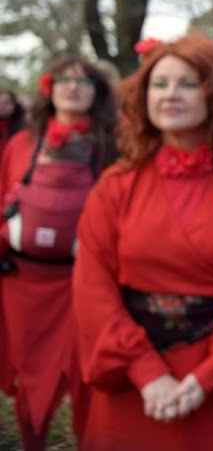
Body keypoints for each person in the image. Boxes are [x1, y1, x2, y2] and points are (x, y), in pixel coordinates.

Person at [72, 34, 213, 451]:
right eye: (159, 84)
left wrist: (209, 376)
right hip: (133, 382)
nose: (170, 94)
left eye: (186, 83)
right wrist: (145, 372)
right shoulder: (116, 184)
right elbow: (92, 287)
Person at [0, 58, 118, 450]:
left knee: (88, 377)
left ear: (97, 92)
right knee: (30, 379)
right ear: (49, 89)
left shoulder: (112, 145)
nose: (73, 87)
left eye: (83, 82)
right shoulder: (21, 144)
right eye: (65, 80)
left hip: (82, 284)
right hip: (24, 284)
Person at [0, 88, 27, 156]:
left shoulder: (23, 127)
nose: (2, 106)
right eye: (0, 103)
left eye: (7, 102)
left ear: (14, 105)